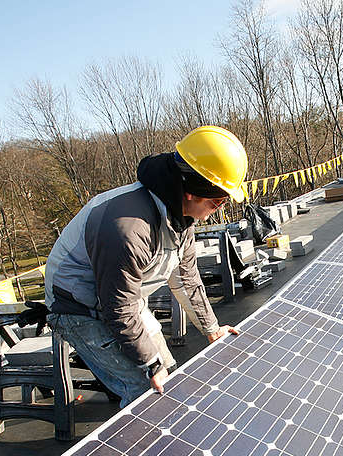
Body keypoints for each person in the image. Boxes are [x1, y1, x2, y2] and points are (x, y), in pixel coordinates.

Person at [44, 125, 248, 406]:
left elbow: (186, 278)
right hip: (79, 309)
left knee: (170, 375)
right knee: (147, 391)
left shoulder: (181, 218)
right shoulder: (128, 228)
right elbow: (118, 307)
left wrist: (212, 329)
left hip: (125, 300)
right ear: (192, 191)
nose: (221, 208)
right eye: (219, 201)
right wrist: (149, 365)